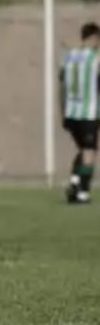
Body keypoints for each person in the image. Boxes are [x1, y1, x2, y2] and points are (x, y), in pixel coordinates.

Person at [62, 22, 100, 204]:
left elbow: (62, 85)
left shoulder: (69, 56)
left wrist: (62, 111)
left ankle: (74, 182)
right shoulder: (96, 58)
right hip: (88, 112)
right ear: (93, 38)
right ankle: (82, 194)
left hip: (70, 112)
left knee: (83, 151)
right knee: (89, 154)